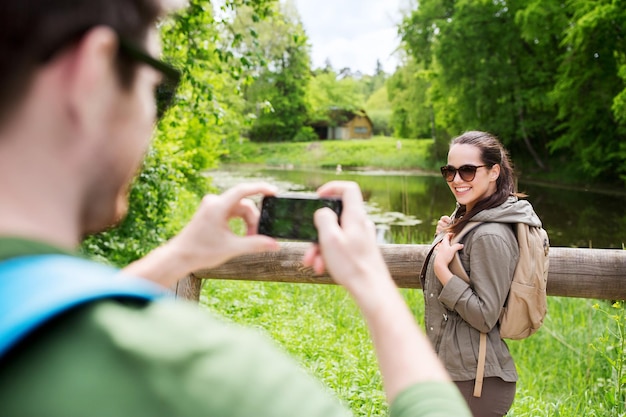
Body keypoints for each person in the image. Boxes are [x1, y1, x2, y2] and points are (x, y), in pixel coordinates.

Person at [0, 1, 471, 416]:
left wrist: (180, 255)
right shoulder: (211, 383)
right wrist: (372, 282)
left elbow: (33, 310)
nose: (152, 118)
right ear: (91, 76)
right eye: (157, 90)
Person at [420, 131, 544, 416]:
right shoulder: (469, 220)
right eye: (449, 171)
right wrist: (444, 237)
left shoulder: (490, 234)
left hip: (476, 385)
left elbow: (486, 315)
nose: (457, 180)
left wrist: (443, 272)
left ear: (493, 172)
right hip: (453, 374)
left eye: (467, 170)